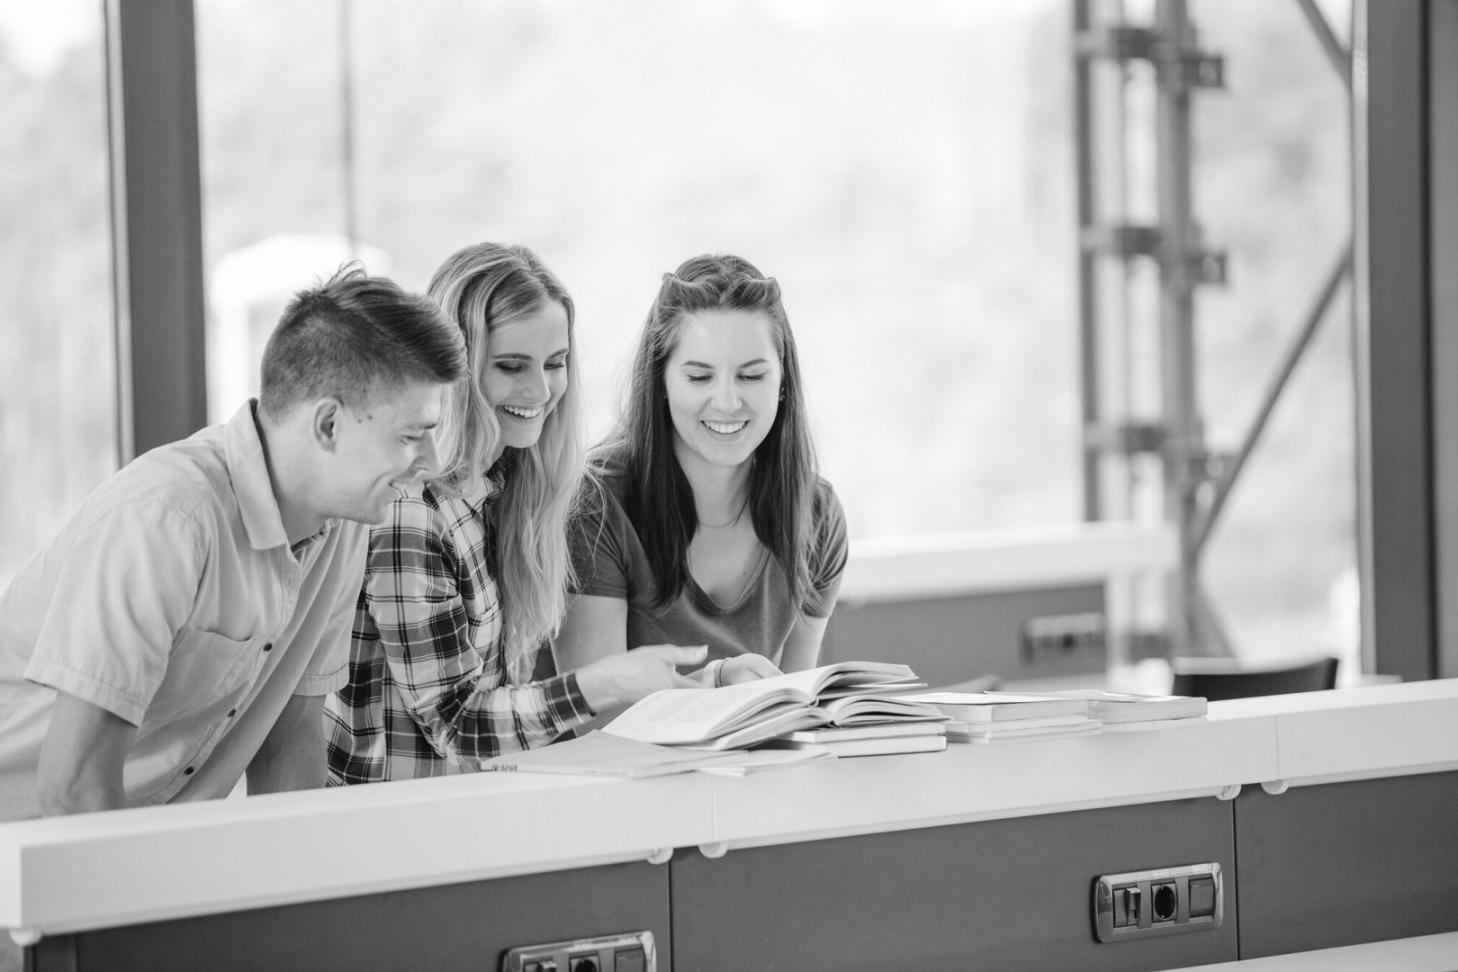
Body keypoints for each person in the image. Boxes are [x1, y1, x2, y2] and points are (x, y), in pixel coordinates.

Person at [0, 268, 466, 822]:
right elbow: (75, 787)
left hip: (141, 848)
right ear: (328, 425)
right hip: (31, 853)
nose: (432, 463)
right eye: (412, 436)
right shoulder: (167, 518)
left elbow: (288, 741)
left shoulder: (345, 524)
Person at [325, 242, 713, 784]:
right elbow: (455, 723)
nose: (540, 390)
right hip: (396, 835)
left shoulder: (508, 492)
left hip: (476, 819)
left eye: (555, 364)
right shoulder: (412, 513)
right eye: (511, 366)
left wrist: (708, 682)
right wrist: (600, 682)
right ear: (453, 370)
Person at [554, 254, 848, 688]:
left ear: (783, 383)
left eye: (751, 376)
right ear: (662, 382)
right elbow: (593, 714)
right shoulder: (594, 504)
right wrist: (717, 682)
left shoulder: (817, 514)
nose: (727, 401)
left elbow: (792, 701)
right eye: (699, 377)